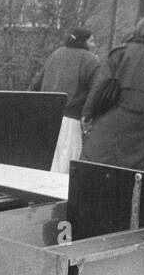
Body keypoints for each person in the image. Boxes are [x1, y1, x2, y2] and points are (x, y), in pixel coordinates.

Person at [81, 16, 144, 178]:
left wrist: (87, 113)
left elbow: (99, 86)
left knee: (99, 160)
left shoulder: (120, 53)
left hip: (114, 116)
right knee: (137, 171)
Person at [35, 27, 99, 173]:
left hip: (47, 117)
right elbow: (97, 90)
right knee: (65, 167)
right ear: (83, 42)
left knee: (47, 164)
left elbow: (37, 82)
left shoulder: (55, 54)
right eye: (91, 40)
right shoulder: (90, 60)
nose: (94, 44)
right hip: (71, 118)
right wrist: (88, 114)